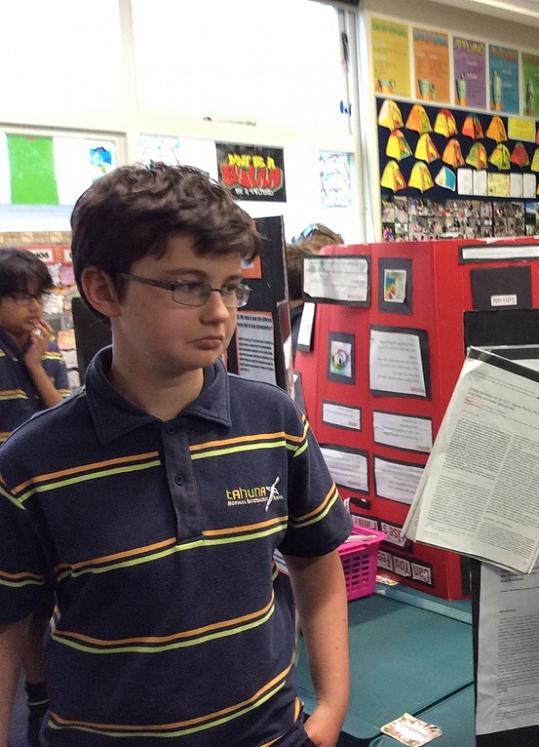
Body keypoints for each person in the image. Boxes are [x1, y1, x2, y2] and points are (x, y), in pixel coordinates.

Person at [0, 164, 353, 747]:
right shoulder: (32, 461)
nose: (220, 312)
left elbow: (316, 560)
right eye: (187, 286)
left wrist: (331, 709)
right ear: (103, 290)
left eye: (230, 286)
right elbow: (10, 627)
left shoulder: (273, 420)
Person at [0, 248, 72, 747]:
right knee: (14, 608)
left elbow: (63, 418)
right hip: (6, 499)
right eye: (18, 297)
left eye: (39, 297)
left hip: (46, 494)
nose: (33, 308)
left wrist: (36, 366)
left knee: (43, 599)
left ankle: (41, 693)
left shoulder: (44, 351)